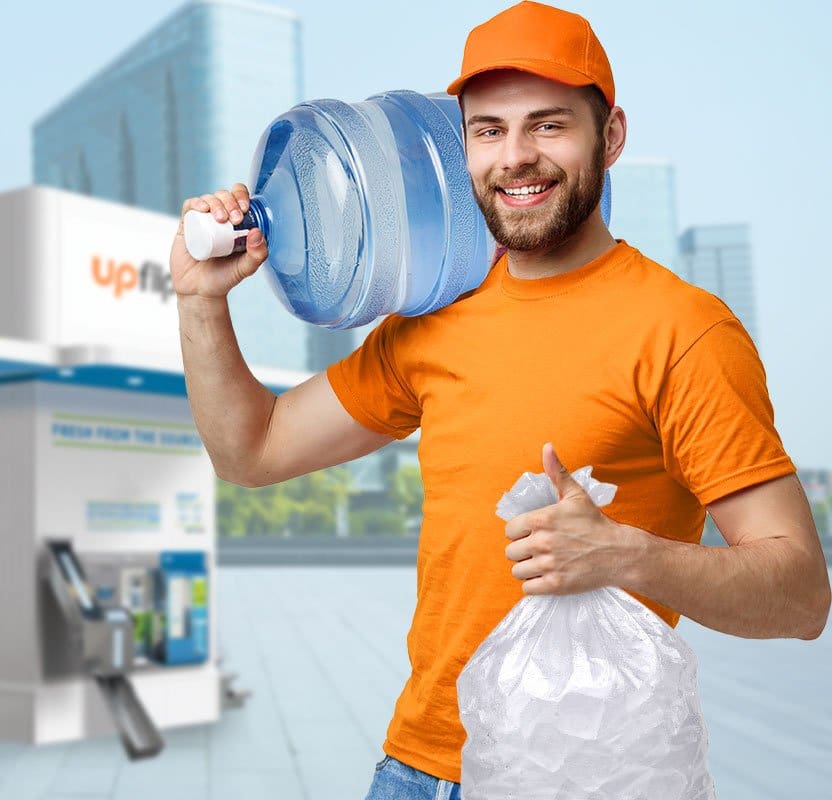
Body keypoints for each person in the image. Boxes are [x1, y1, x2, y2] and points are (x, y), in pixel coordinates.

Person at [169, 1, 831, 797]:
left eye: (549, 126)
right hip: (416, 768)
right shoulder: (438, 316)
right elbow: (253, 450)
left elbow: (801, 596)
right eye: (488, 131)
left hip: (580, 780)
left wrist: (628, 555)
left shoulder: (682, 331)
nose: (515, 158)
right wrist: (201, 301)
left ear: (610, 136)